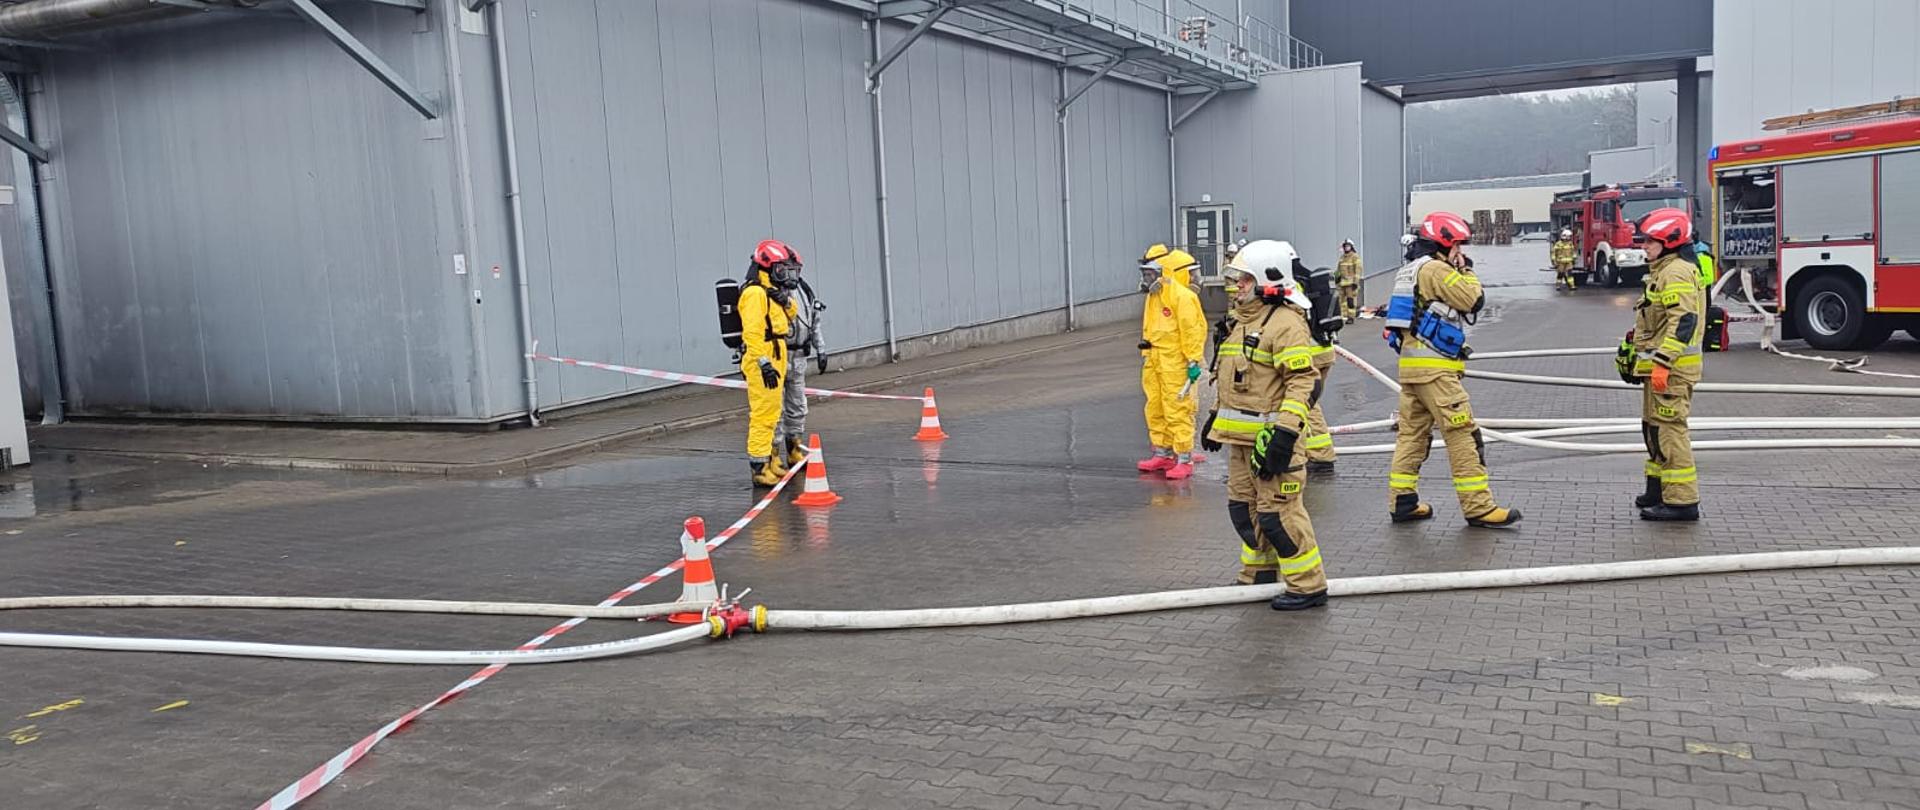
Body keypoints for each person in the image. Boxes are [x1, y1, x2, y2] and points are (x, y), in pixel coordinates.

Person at [1199, 240, 1329, 610]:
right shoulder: (1241, 322)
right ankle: (1257, 577)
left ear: (1268, 280)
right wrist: (1215, 418)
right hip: (1240, 440)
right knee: (1246, 511)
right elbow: (1232, 377)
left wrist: (1286, 434)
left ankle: (1308, 586)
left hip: (1272, 441)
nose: (1236, 286)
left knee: (1279, 516)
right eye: (1236, 279)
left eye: (1243, 280)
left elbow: (1303, 381)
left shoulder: (1285, 323)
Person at [1383, 212, 1521, 528]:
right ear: (1445, 244)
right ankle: (1479, 507)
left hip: (1411, 368)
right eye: (1457, 245)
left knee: (1412, 437)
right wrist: (1467, 270)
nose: (1459, 250)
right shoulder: (1436, 269)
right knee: (1462, 433)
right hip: (1436, 370)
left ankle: (1402, 501)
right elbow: (1473, 300)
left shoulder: (1410, 270)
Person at [1624, 208, 1704, 521]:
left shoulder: (1676, 272)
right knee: (1654, 429)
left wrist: (1662, 362)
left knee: (1670, 432)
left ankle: (1682, 502)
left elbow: (1683, 322)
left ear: (1669, 242)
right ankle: (1657, 489)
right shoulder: (1664, 270)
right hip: (1659, 370)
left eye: (1650, 241)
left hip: (1671, 372)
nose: (1644, 246)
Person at [1137, 244, 1207, 481]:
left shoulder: (1183, 297)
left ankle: (1184, 457)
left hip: (1176, 361)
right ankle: (1162, 452)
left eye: (1150, 273)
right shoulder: (1154, 296)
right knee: (1155, 406)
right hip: (1155, 359)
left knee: (1178, 408)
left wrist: (1193, 360)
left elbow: (1192, 331)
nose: (1148, 279)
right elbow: (1149, 327)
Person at [740, 240, 799, 487]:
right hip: (763, 355)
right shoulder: (754, 294)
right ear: (768, 267)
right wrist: (763, 362)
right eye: (782, 269)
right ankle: (759, 467)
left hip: (777, 351)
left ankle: (772, 460)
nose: (786, 275)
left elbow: (792, 315)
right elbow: (752, 333)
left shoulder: (770, 293)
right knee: (763, 415)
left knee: (774, 413)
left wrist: (784, 300)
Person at [775, 256, 827, 470]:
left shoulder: (804, 291)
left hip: (798, 359)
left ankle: (794, 450)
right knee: (774, 411)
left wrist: (821, 349)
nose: (793, 275)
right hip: (777, 359)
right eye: (790, 270)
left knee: (798, 406)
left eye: (796, 270)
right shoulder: (770, 293)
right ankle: (772, 455)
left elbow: (814, 322)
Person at [1336, 238, 1362, 321]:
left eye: (1348, 246)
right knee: (1342, 301)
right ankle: (1344, 316)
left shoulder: (1355, 257)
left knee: (1350, 301)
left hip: (1351, 284)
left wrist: (1356, 282)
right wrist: (1337, 278)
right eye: (1345, 246)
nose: (1346, 248)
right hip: (1342, 283)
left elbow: (1358, 270)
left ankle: (1351, 317)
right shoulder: (1342, 257)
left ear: (1351, 247)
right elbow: (1338, 269)